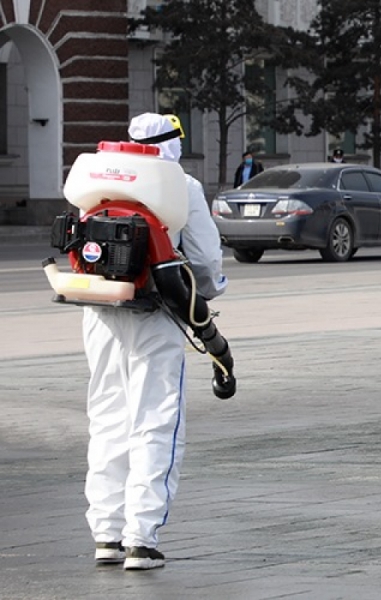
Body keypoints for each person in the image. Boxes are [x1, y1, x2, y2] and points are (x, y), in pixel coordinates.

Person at [85, 113, 227, 570]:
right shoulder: (181, 184)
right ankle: (140, 539)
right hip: (157, 311)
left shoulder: (103, 173)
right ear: (175, 142)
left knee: (107, 417)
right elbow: (204, 260)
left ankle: (105, 534)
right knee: (157, 420)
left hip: (101, 309)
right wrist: (206, 295)